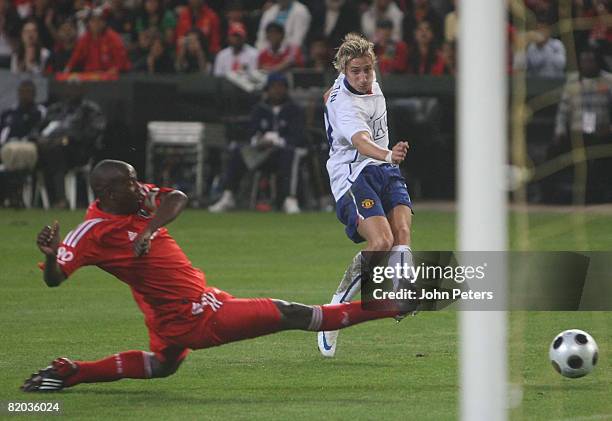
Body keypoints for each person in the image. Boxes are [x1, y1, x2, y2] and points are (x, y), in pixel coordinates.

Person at [21, 159, 408, 392]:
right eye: (129, 182)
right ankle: (392, 306)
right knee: (294, 314)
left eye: (137, 178)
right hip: (197, 316)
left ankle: (73, 372)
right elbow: (55, 279)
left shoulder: (137, 202)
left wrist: (149, 228)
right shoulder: (91, 232)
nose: (140, 186)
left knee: (162, 365)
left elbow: (177, 198)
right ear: (106, 192)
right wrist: (53, 256)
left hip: (182, 307)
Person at [318, 33, 413, 357]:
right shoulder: (347, 105)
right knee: (381, 242)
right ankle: (333, 312)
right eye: (356, 71)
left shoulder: (354, 82)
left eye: (367, 70)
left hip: (383, 170)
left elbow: (326, 93)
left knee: (402, 231)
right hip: (353, 174)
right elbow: (360, 142)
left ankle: (400, 293)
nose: (363, 77)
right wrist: (388, 155)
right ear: (345, 70)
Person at [208, 73, 305, 214]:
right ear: (267, 89)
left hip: (283, 153)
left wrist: (277, 141)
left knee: (291, 153)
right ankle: (228, 195)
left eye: (281, 87)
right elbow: (251, 133)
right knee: (238, 151)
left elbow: (299, 136)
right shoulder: (259, 109)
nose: (277, 90)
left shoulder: (294, 109)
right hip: (261, 152)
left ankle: (289, 199)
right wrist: (259, 141)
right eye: (274, 87)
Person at [0, 80, 46, 207]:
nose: (24, 95)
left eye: (28, 92)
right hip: (6, 147)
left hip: (28, 147)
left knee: (16, 152)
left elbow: (39, 133)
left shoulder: (39, 112)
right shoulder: (9, 113)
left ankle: (16, 194)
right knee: (9, 150)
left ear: (34, 94)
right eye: (22, 92)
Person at [64, 8, 131, 73]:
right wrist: (67, 69)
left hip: (113, 77)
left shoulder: (113, 37)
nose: (96, 24)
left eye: (100, 20)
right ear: (88, 23)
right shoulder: (85, 39)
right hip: (91, 76)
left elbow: (121, 61)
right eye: (93, 21)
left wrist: (113, 71)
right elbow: (75, 57)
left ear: (104, 23)